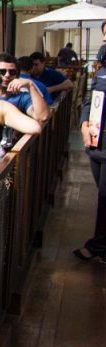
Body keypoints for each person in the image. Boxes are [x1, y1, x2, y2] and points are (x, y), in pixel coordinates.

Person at [77, 56, 106, 260]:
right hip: (97, 144)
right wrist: (83, 123)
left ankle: (98, 245)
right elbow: (91, 100)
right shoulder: (101, 71)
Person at [0, 54, 50, 122]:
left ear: (17, 75)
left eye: (12, 72)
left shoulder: (22, 97)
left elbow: (43, 116)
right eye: (2, 71)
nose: (7, 75)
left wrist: (30, 85)